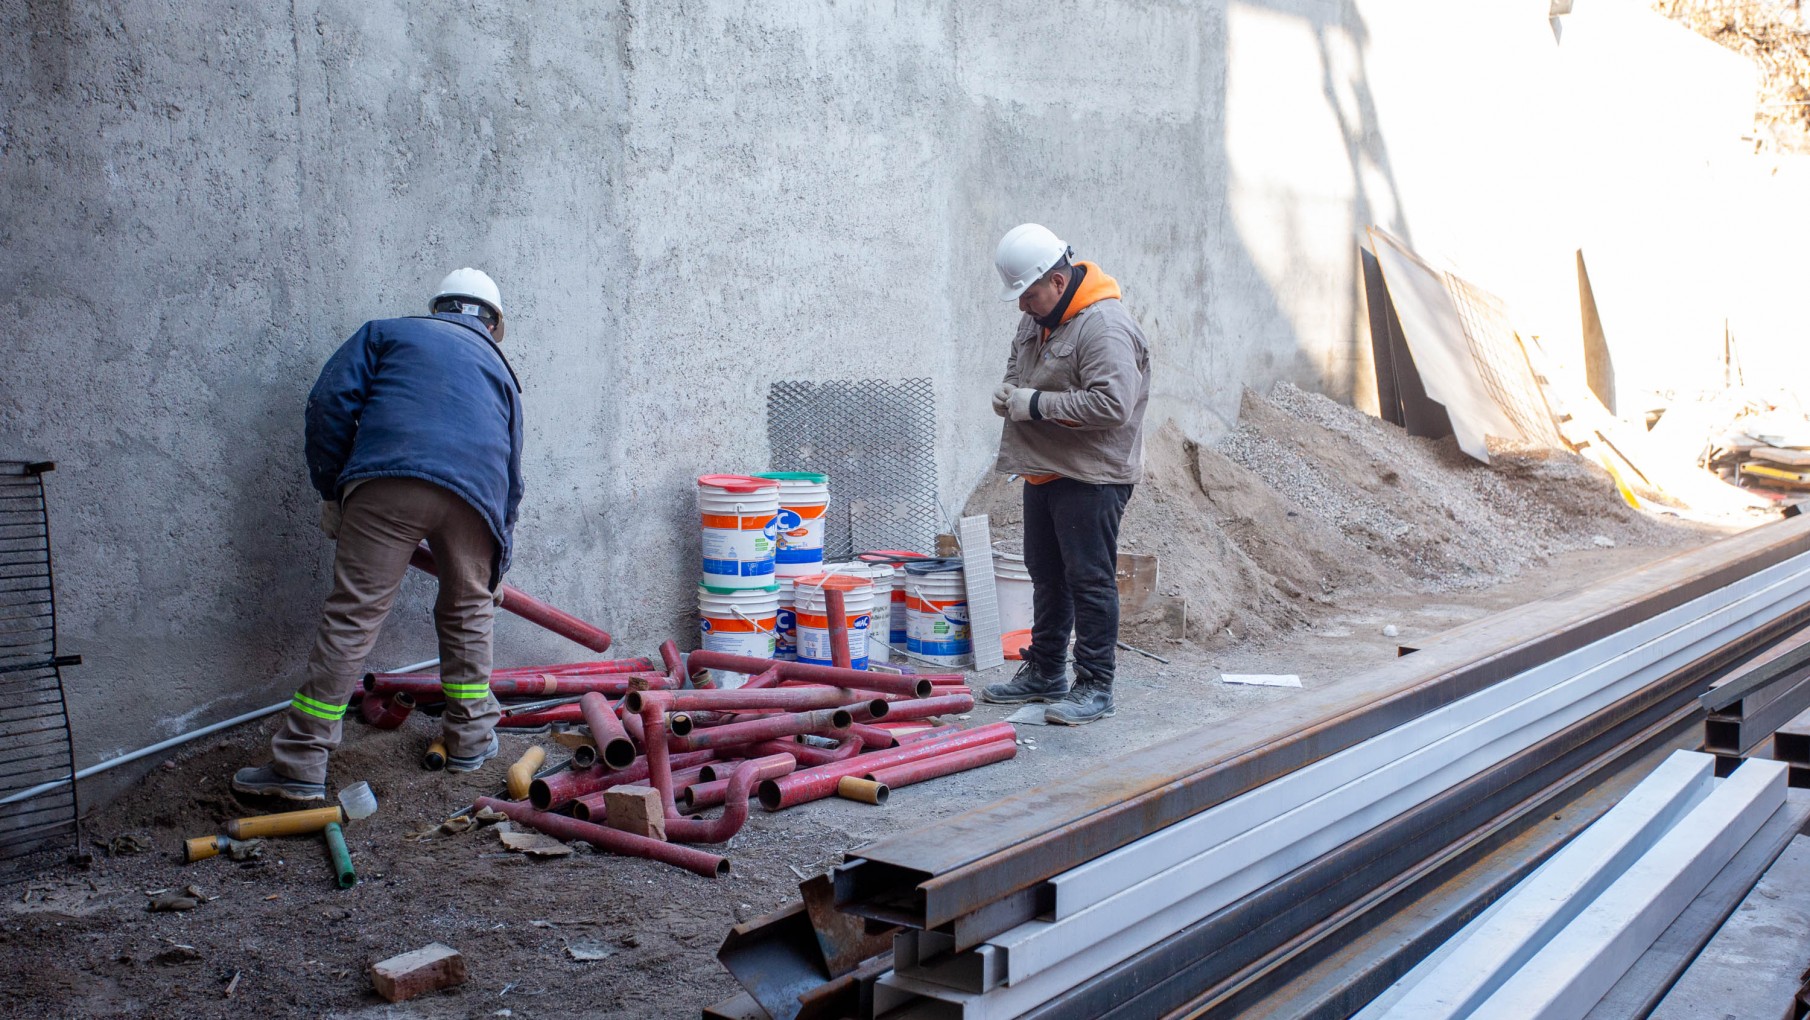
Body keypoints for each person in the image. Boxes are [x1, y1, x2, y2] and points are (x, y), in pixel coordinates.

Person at [232, 268, 525, 800]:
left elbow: (329, 404)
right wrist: (493, 565)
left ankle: (300, 762)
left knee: (354, 615)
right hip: (476, 498)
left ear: (436, 307)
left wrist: (333, 489)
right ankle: (471, 740)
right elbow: (511, 476)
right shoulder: (501, 372)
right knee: (467, 612)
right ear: (493, 322)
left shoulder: (384, 332)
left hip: (388, 480)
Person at [979, 225, 1150, 725]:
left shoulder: (1105, 328)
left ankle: (1095, 686)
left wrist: (1033, 404)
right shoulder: (1040, 318)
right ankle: (1047, 670)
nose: (1021, 307)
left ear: (1057, 280)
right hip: (1047, 469)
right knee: (1047, 574)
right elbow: (1018, 365)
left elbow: (1113, 404)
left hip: (1093, 474)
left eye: (1028, 295)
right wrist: (1010, 391)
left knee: (1089, 579)